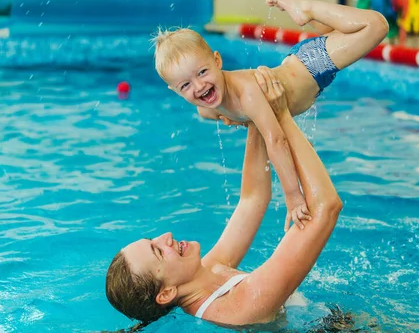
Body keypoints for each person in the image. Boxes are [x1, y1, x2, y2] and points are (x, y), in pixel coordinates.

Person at [106, 67, 344, 327]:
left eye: (153, 239)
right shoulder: (239, 306)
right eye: (158, 252)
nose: (166, 238)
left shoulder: (209, 270)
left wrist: (256, 112)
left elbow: (252, 199)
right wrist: (281, 114)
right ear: (166, 293)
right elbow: (326, 208)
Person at [153, 0, 387, 230]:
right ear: (175, 91)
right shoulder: (206, 111)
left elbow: (276, 140)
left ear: (218, 62)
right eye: (185, 85)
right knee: (339, 30)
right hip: (302, 69)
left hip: (309, 66)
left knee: (375, 26)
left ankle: (303, 5)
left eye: (203, 73)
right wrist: (238, 120)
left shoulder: (247, 93)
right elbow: (230, 117)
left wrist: (293, 196)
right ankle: (301, 5)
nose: (199, 86)